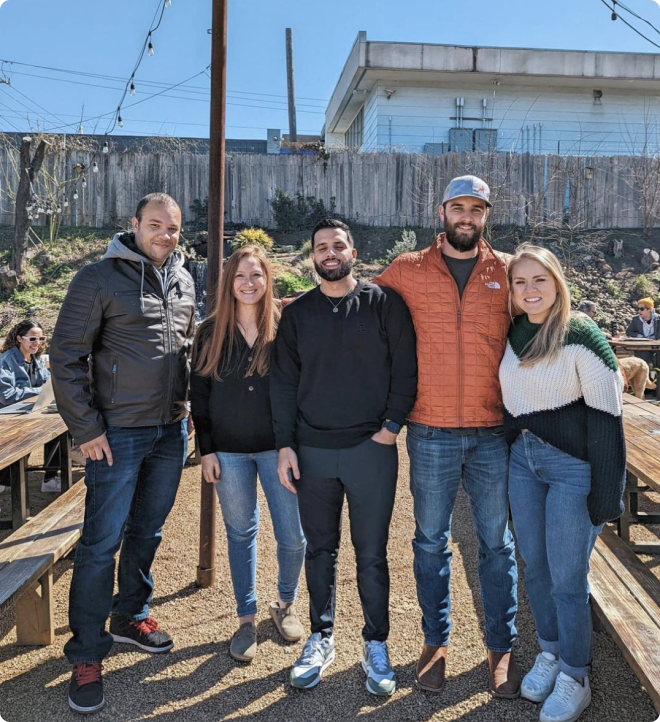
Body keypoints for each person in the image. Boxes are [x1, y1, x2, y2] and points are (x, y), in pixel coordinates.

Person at [373, 175, 519, 697]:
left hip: (491, 432)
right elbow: (359, 311)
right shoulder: (407, 270)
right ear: (442, 212)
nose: (465, 217)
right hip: (429, 428)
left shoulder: (505, 273)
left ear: (486, 217)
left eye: (475, 209)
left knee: (496, 545)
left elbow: (546, 323)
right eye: (457, 207)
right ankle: (435, 643)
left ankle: (500, 648)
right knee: (431, 541)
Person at [50, 192, 195, 715]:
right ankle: (87, 652)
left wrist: (189, 408)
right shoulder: (98, 277)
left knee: (148, 531)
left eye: (173, 228)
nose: (165, 235)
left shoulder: (184, 277)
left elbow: (185, 346)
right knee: (99, 543)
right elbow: (65, 355)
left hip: (170, 431)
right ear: (133, 225)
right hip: (116, 435)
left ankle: (130, 614)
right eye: (156, 225)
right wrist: (86, 427)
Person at [271, 219, 417, 696]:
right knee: (321, 550)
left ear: (352, 250)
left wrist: (391, 427)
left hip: (369, 451)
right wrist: (286, 444)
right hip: (313, 452)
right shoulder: (296, 315)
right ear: (312, 256)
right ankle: (321, 635)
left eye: (338, 245)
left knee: (372, 553)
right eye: (320, 247)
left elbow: (405, 368)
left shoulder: (383, 304)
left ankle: (375, 643)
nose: (329, 253)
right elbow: (284, 385)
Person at [500, 243, 625, 722]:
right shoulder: (514, 333)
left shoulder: (581, 334)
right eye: (521, 282)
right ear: (511, 290)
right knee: (535, 567)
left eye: (540, 280)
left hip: (574, 467)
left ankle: (576, 673)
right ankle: (550, 651)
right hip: (522, 463)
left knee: (569, 578)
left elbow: (608, 416)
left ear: (557, 283)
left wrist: (606, 491)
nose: (530, 290)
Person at [190, 245, 305, 663]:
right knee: (241, 534)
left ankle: (285, 603)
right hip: (230, 451)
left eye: (256, 274)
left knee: (293, 536)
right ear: (228, 282)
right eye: (240, 276)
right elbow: (198, 395)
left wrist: (292, 444)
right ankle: (246, 617)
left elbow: (297, 389)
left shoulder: (285, 325)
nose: (248, 283)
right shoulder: (209, 331)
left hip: (279, 448)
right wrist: (206, 450)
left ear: (267, 278)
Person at [0, 319, 61, 493]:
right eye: (33, 339)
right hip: (7, 418)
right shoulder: (5, 361)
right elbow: (7, 396)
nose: (38, 343)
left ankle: (50, 478)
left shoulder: (35, 360)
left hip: (25, 413)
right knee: (29, 437)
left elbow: (46, 384)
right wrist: (38, 391)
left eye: (41, 339)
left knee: (59, 428)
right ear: (19, 338)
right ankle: (6, 481)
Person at [625, 297, 660, 370]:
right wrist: (639, 336)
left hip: (657, 348)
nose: (639, 311)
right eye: (638, 309)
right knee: (643, 359)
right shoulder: (636, 319)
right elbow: (629, 332)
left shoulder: (658, 319)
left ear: (649, 309)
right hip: (642, 348)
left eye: (642, 309)